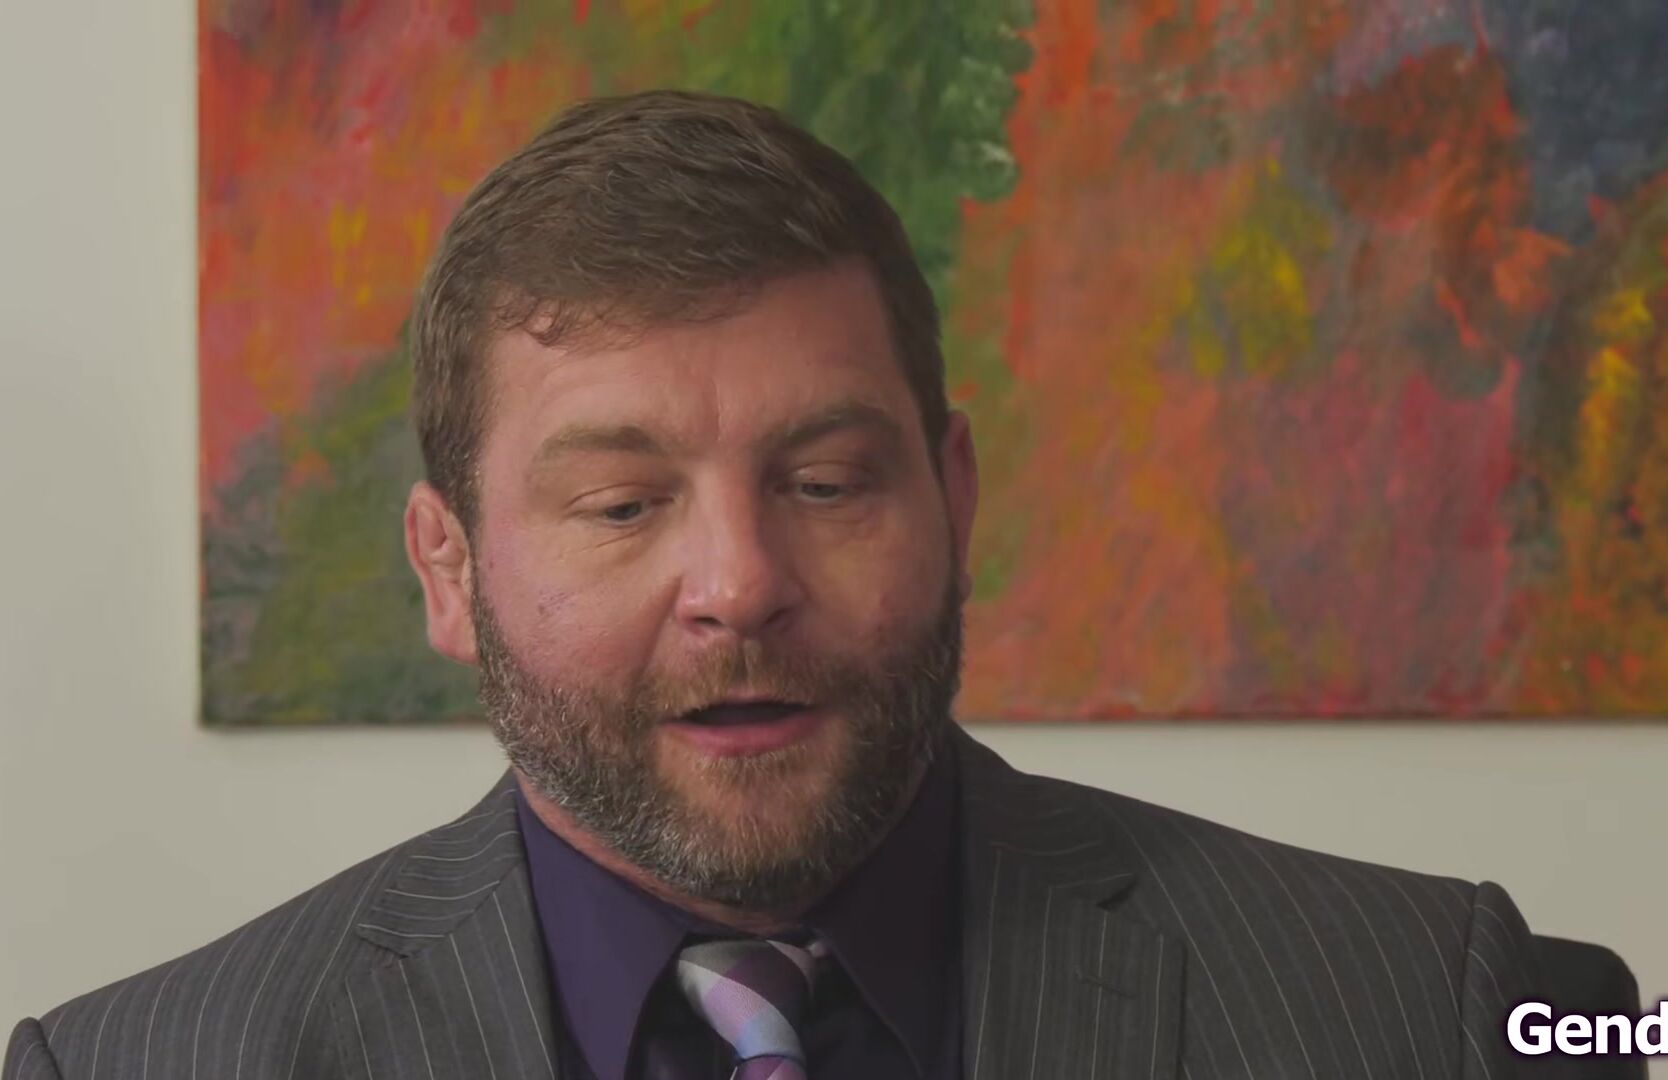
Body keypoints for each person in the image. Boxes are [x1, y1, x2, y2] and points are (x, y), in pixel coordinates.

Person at [7, 90, 1545, 1080]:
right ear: (448, 568)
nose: (740, 586)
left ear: (952, 499)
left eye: (825, 483)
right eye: (622, 504)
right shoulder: (133, 1065)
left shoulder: (1424, 1011)